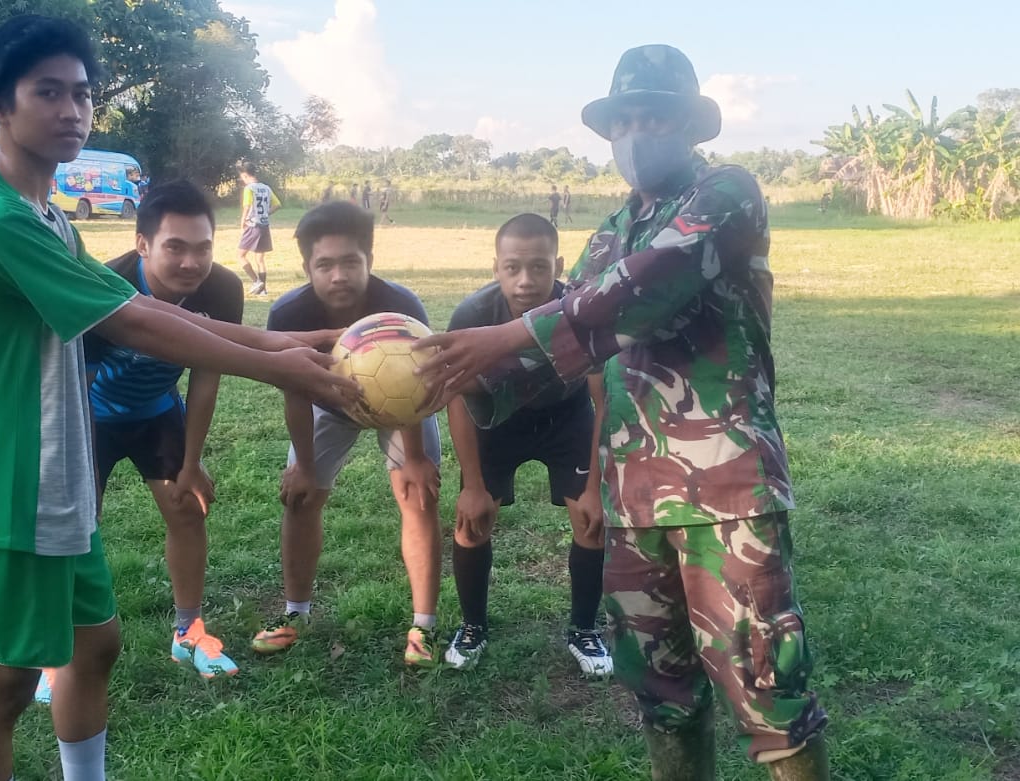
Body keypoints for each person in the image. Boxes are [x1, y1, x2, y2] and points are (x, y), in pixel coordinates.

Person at [0, 16, 355, 781]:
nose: (72, 110)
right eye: (48, 93)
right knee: (2, 683)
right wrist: (287, 370)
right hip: (8, 486)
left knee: (94, 646)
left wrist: (294, 343)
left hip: (54, 481)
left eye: (83, 94)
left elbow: (162, 312)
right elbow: (134, 321)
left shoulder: (45, 216)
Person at [415, 44, 829, 780]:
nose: (637, 135)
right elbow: (562, 343)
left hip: (726, 494)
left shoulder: (725, 194)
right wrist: (439, 374)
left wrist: (498, 337)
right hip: (635, 500)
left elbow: (633, 292)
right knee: (663, 692)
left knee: (770, 693)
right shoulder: (612, 227)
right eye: (623, 121)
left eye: (655, 116)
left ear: (691, 123)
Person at [36, 180, 245, 701]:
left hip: (156, 410)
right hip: (93, 413)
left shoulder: (222, 289)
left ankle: (188, 633)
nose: (191, 262)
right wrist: (74, 469)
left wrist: (192, 461)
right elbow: (75, 384)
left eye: (203, 248)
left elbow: (208, 374)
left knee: (186, 508)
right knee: (76, 525)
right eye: (175, 246)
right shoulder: (105, 285)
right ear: (143, 243)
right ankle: (56, 651)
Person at [253, 201, 443, 667]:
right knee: (300, 497)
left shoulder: (402, 305)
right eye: (325, 265)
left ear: (369, 261)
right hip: (326, 405)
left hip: (402, 408)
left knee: (417, 494)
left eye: (350, 262)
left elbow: (420, 385)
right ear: (307, 267)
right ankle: (295, 613)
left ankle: (424, 626)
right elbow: (295, 393)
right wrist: (303, 464)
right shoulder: (289, 312)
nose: (338, 275)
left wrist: (414, 458)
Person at [442, 213, 612, 678]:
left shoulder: (581, 310)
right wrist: (472, 484)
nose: (525, 281)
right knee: (473, 520)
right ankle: (472, 625)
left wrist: (595, 486)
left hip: (568, 416)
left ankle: (583, 628)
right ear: (495, 266)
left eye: (539, 267)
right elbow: (457, 396)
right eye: (512, 267)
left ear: (557, 264)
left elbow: (604, 400)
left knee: (591, 521)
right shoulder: (473, 315)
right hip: (498, 419)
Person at [237, 162, 280, 296]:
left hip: (253, 225)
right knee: (260, 259)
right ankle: (263, 290)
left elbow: (247, 206)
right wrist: (266, 213)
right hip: (264, 225)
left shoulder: (249, 188)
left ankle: (256, 282)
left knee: (240, 255)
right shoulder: (266, 188)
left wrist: (243, 220)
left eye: (242, 177)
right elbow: (277, 204)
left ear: (245, 175)